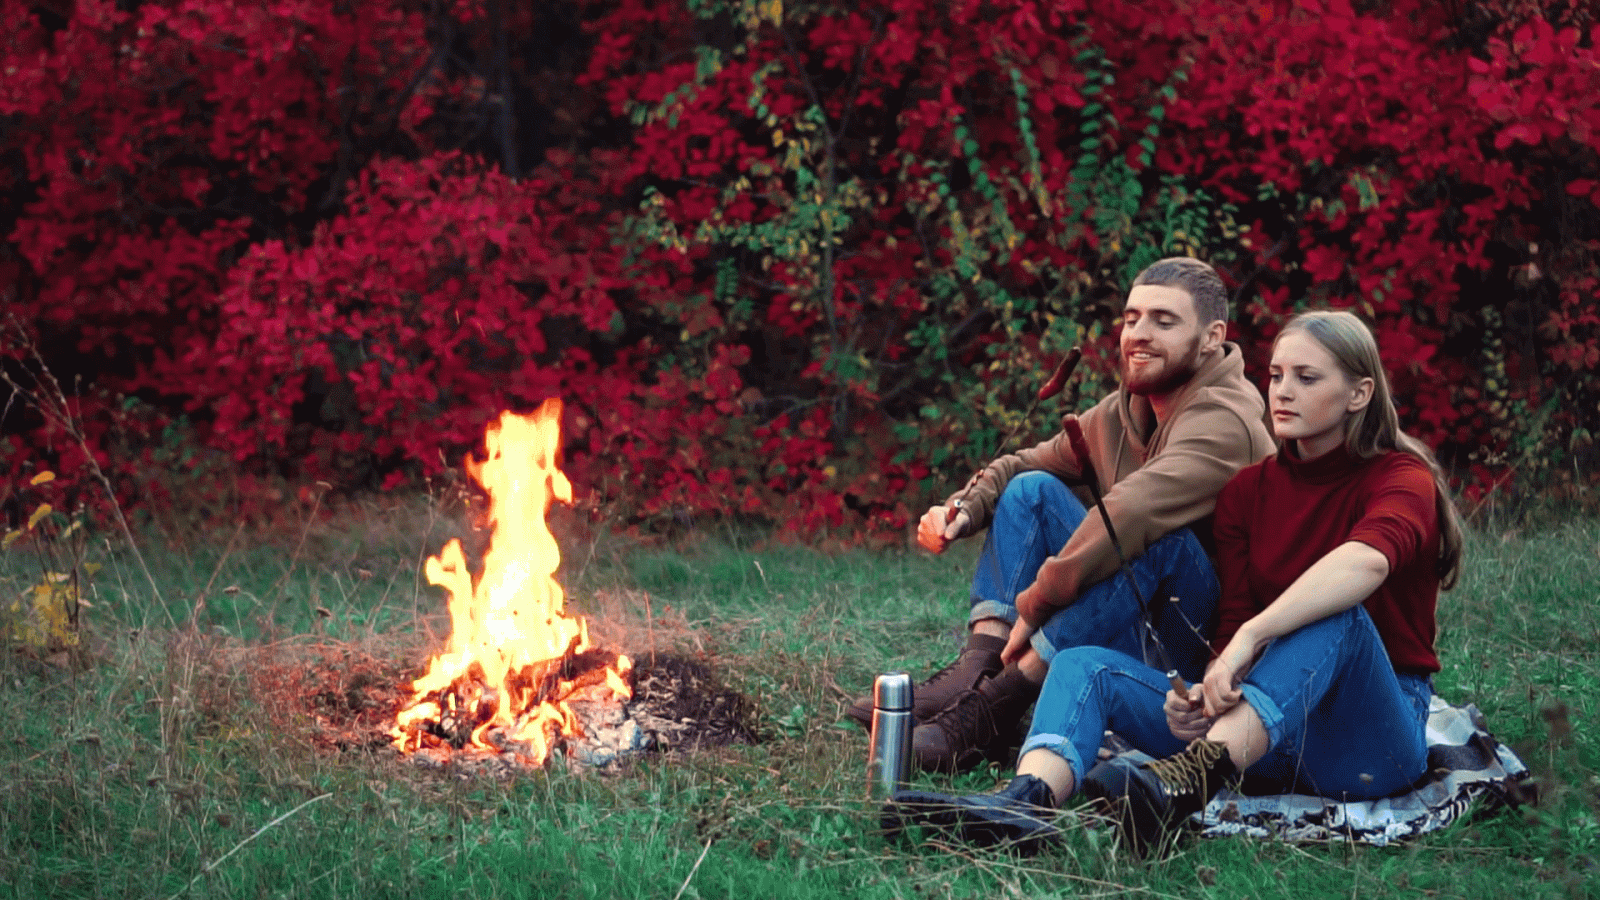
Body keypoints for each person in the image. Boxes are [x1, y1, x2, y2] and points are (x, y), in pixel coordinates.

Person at [884, 309, 1467, 857]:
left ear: (1359, 393)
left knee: (1335, 616)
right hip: (1258, 738)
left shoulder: (1400, 477)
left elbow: (1364, 564)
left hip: (1364, 741)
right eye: (1276, 375)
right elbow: (1233, 619)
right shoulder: (1250, 491)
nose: (1282, 392)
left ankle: (1180, 788)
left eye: (1306, 378)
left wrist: (1250, 641)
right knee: (1083, 664)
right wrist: (1207, 691)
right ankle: (1025, 804)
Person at [848, 257, 1274, 774]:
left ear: (1212, 338)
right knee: (1032, 491)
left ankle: (996, 704)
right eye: (1132, 318)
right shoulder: (1129, 408)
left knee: (1151, 541)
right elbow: (1020, 464)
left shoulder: (1226, 419)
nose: (1138, 334)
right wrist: (962, 508)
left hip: (1200, 653)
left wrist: (1036, 604)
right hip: (1133, 612)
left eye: (1164, 321)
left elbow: (1131, 511)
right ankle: (976, 673)